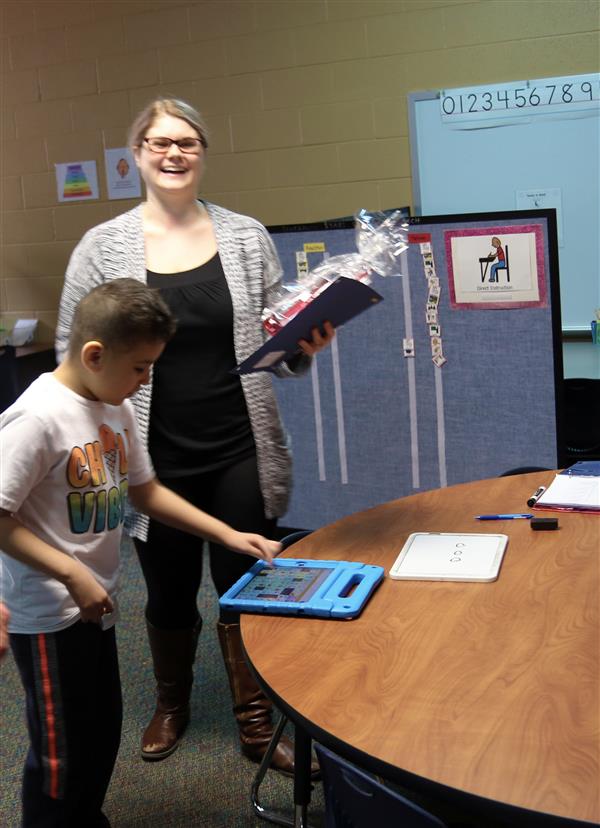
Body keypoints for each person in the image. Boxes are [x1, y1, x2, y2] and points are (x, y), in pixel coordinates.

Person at [55, 97, 333, 774]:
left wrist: (305, 344)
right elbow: (72, 347)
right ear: (137, 156)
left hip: (241, 443)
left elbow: (275, 341)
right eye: (159, 143)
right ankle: (171, 703)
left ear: (203, 152)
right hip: (150, 456)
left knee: (247, 582)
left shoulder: (246, 237)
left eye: (186, 142)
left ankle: (255, 717)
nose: (173, 154)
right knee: (170, 590)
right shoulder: (102, 246)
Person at [0, 280, 279, 827]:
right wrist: (70, 573)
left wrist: (226, 534)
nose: (146, 380)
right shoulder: (37, 418)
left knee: (100, 732)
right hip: (49, 614)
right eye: (140, 367)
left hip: (94, 606)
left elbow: (145, 492)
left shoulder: (115, 406)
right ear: (94, 355)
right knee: (61, 754)